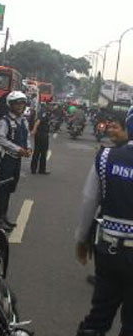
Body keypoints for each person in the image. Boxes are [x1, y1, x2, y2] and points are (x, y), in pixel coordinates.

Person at [75, 106, 133, 336]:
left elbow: (89, 201)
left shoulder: (107, 156)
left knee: (99, 316)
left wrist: (81, 239)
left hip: (111, 251)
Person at [0, 91, 32, 231]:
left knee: (9, 189)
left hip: (16, 160)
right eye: (17, 103)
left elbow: (26, 136)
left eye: (22, 103)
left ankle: (4, 217)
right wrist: (18, 149)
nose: (20, 106)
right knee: (1, 190)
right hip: (5, 159)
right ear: (11, 105)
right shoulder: (5, 121)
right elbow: (0, 139)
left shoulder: (24, 120)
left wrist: (28, 148)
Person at [31, 103, 52, 174]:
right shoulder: (44, 113)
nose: (52, 107)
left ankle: (38, 169)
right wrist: (34, 130)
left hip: (42, 134)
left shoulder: (46, 112)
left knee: (39, 152)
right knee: (41, 152)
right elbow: (38, 122)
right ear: (48, 106)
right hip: (42, 135)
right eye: (51, 105)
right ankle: (39, 169)